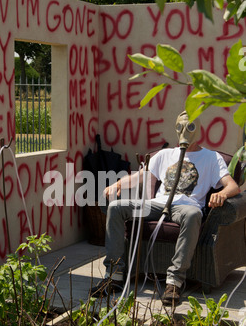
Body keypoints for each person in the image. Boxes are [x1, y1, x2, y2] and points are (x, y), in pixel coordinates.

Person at [91, 111, 240, 305]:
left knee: (194, 214)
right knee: (116, 208)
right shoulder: (165, 154)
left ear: (199, 129)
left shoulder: (211, 158)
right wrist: (118, 184)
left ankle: (175, 281)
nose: (184, 131)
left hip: (187, 207)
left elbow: (233, 186)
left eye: (190, 127)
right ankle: (115, 276)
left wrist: (223, 193)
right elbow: (139, 177)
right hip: (157, 205)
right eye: (180, 127)